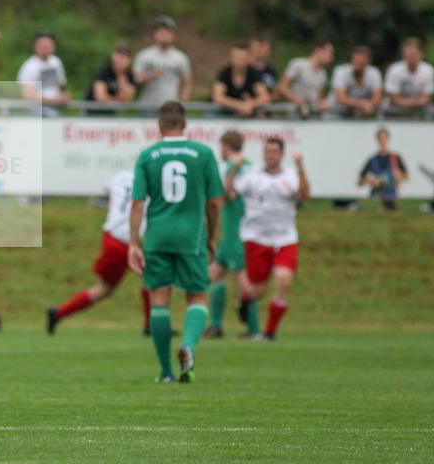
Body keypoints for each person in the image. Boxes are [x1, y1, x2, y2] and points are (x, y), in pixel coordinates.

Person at [126, 101, 223, 383]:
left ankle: (165, 371)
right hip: (191, 237)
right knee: (197, 296)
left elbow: (137, 203)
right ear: (185, 124)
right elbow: (214, 202)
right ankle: (188, 346)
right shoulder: (203, 154)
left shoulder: (148, 155)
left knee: (159, 300)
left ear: (159, 125)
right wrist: (211, 237)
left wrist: (134, 243)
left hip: (157, 236)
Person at [46, 170, 154, 336]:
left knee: (143, 280)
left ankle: (58, 313)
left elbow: (104, 196)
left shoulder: (121, 177)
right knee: (108, 288)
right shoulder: (152, 184)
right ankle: (150, 326)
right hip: (125, 241)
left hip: (112, 236)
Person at [226, 138, 310, 341]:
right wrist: (234, 169)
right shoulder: (252, 175)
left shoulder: (291, 175)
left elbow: (304, 195)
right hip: (256, 239)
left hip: (285, 238)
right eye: (267, 151)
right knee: (258, 290)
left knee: (283, 280)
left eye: (274, 151)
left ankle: (270, 332)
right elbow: (229, 191)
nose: (270, 155)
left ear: (281, 154)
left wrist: (301, 167)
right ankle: (244, 299)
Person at [205, 131, 252, 339]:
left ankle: (255, 329)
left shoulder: (239, 167)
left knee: (242, 280)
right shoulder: (245, 166)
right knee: (212, 276)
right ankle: (215, 326)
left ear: (225, 146)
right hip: (228, 232)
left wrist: (232, 170)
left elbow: (226, 194)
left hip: (237, 232)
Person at [133, 16, 193, 106]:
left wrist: (182, 103)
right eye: (160, 30)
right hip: (147, 106)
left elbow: (187, 83)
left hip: (170, 107)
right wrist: (152, 74)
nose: (163, 34)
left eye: (167, 31)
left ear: (173, 34)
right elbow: (136, 79)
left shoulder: (181, 57)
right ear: (154, 34)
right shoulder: (144, 55)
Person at [16, 32, 70, 115]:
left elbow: (62, 84)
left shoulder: (56, 62)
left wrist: (64, 96)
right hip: (36, 115)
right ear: (35, 46)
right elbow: (27, 95)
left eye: (48, 44)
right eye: (42, 44)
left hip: (55, 113)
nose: (45, 47)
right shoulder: (29, 66)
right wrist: (52, 101)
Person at [211, 42, 270, 118]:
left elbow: (265, 98)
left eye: (242, 57)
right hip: (225, 114)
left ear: (248, 58)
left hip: (248, 114)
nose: (238, 60)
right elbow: (217, 97)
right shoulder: (224, 73)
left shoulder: (254, 74)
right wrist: (239, 105)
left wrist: (251, 104)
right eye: (236, 57)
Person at [278, 40, 333, 118]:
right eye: (329, 52)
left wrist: (323, 103)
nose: (331, 57)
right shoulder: (298, 64)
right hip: (294, 117)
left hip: (312, 117)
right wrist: (298, 101)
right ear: (317, 50)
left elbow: (320, 98)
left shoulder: (323, 73)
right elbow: (282, 87)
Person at [358, 127, 408, 211]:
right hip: (377, 197)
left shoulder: (395, 158)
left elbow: (406, 176)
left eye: (384, 138)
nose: (383, 141)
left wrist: (399, 175)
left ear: (388, 139)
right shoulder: (372, 160)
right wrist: (372, 181)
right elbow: (360, 182)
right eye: (380, 138)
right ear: (377, 140)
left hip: (392, 196)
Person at [327, 46, 384, 119]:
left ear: (368, 63)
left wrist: (363, 105)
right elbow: (340, 98)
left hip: (356, 117)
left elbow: (377, 99)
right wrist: (361, 104)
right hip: (334, 116)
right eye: (355, 61)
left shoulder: (374, 73)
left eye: (361, 62)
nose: (357, 65)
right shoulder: (341, 71)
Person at [384, 38, 434, 115]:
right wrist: (415, 101)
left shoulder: (429, 70)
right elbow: (393, 99)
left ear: (422, 54)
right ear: (403, 54)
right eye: (408, 53)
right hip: (394, 113)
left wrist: (403, 101)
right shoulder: (394, 70)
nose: (411, 56)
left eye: (414, 54)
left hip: (420, 113)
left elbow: (426, 98)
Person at [82, 42, 137, 115]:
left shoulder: (129, 74)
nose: (122, 59)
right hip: (91, 113)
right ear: (113, 55)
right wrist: (118, 99)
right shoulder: (105, 70)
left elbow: (128, 99)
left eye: (126, 56)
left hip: (110, 114)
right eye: (120, 54)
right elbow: (101, 98)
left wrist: (120, 73)